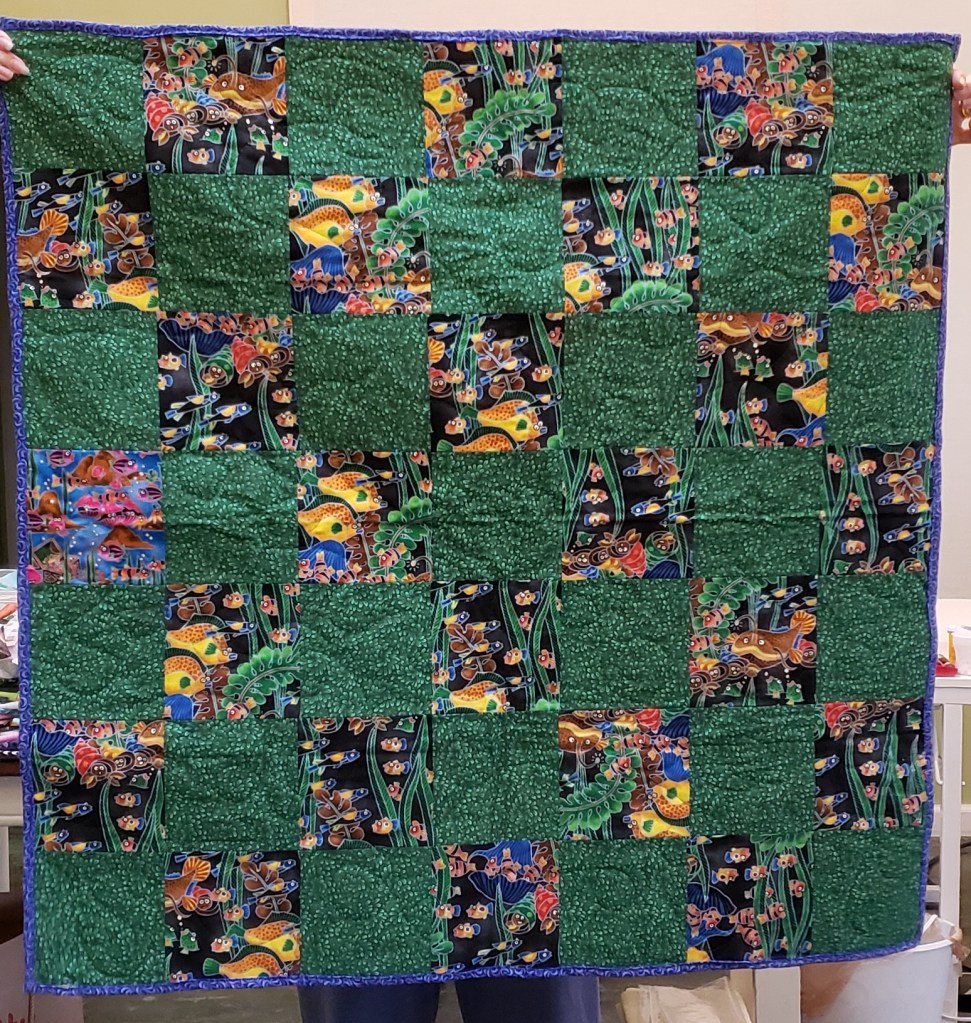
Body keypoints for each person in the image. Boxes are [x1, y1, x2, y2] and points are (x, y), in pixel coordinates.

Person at [0, 28, 968, 1023]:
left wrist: (890, 107)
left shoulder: (577, 312)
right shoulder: (349, 318)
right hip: (355, 683)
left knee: (537, 953)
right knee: (362, 941)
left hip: (543, 706)